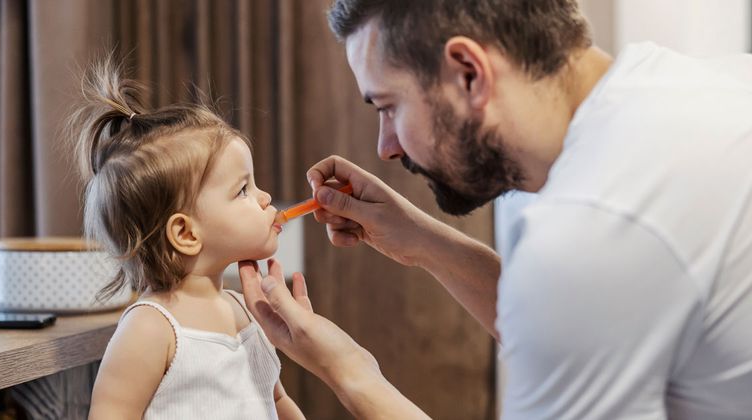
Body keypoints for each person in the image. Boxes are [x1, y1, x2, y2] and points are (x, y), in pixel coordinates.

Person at [238, 0, 752, 418]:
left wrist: (347, 368)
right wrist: (421, 240)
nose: (386, 148)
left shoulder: (589, 235)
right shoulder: (706, 86)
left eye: (389, 106)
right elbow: (580, 323)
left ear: (468, 73)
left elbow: (574, 292)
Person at [69, 58, 305, 419]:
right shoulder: (151, 328)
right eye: (243, 189)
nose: (264, 198)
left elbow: (275, 401)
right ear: (185, 233)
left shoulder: (246, 309)